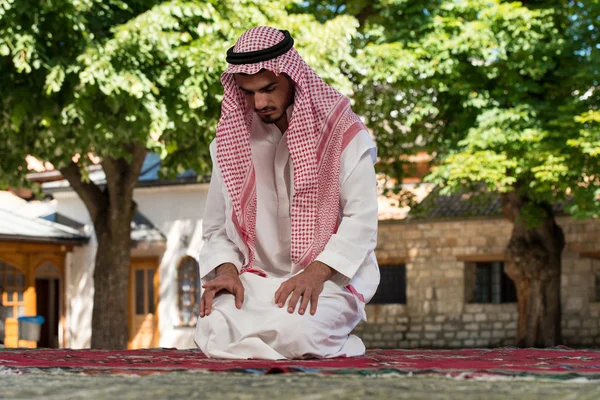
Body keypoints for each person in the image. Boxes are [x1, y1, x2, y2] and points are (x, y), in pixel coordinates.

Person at [195, 26, 380, 360]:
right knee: (212, 325)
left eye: (269, 89)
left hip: (328, 281)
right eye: (248, 93)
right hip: (257, 281)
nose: (259, 103)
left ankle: (321, 344)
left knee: (299, 333)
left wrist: (317, 272)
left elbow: (361, 222)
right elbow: (216, 228)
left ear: (293, 78)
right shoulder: (229, 143)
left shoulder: (345, 134)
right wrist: (226, 272)